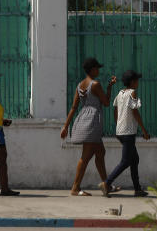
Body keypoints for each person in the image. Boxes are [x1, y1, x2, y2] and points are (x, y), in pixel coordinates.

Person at [61, 57, 116, 196]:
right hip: (93, 122)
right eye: (97, 68)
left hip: (83, 119)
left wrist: (66, 126)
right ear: (92, 69)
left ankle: (106, 184)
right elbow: (106, 102)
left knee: (100, 153)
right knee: (86, 156)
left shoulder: (80, 85)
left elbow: (74, 107)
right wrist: (109, 88)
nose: (98, 70)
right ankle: (75, 187)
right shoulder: (95, 84)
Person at [104, 69, 150, 197]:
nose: (138, 83)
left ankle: (137, 189)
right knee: (125, 161)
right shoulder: (132, 93)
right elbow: (135, 112)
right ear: (133, 82)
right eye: (137, 80)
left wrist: (118, 124)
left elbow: (115, 109)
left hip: (120, 131)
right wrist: (144, 131)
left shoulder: (120, 93)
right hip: (128, 132)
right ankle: (106, 183)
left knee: (134, 159)